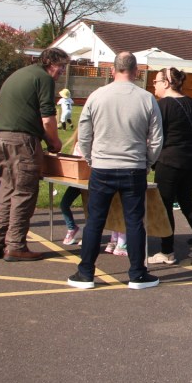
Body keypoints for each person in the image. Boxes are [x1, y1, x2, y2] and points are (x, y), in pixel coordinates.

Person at [67, 52, 163, 290]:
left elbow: (84, 133)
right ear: (137, 71)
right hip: (133, 167)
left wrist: (90, 158)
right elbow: (156, 138)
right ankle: (137, 274)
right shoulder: (146, 98)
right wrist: (147, 162)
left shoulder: (97, 95)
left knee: (95, 221)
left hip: (102, 166)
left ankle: (86, 273)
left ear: (112, 70)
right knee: (134, 222)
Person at [0, 47, 69, 262]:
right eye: (61, 66)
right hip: (21, 141)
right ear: (50, 63)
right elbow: (47, 118)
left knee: (7, 189)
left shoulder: (22, 73)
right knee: (24, 192)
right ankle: (16, 245)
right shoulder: (44, 78)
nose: (62, 72)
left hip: (0, 138)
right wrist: (54, 142)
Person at [148, 66, 192, 265]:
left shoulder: (163, 104)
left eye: (156, 81)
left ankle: (167, 251)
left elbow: (154, 135)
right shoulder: (190, 102)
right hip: (191, 160)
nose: (154, 85)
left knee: (165, 205)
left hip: (169, 160)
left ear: (166, 83)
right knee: (187, 203)